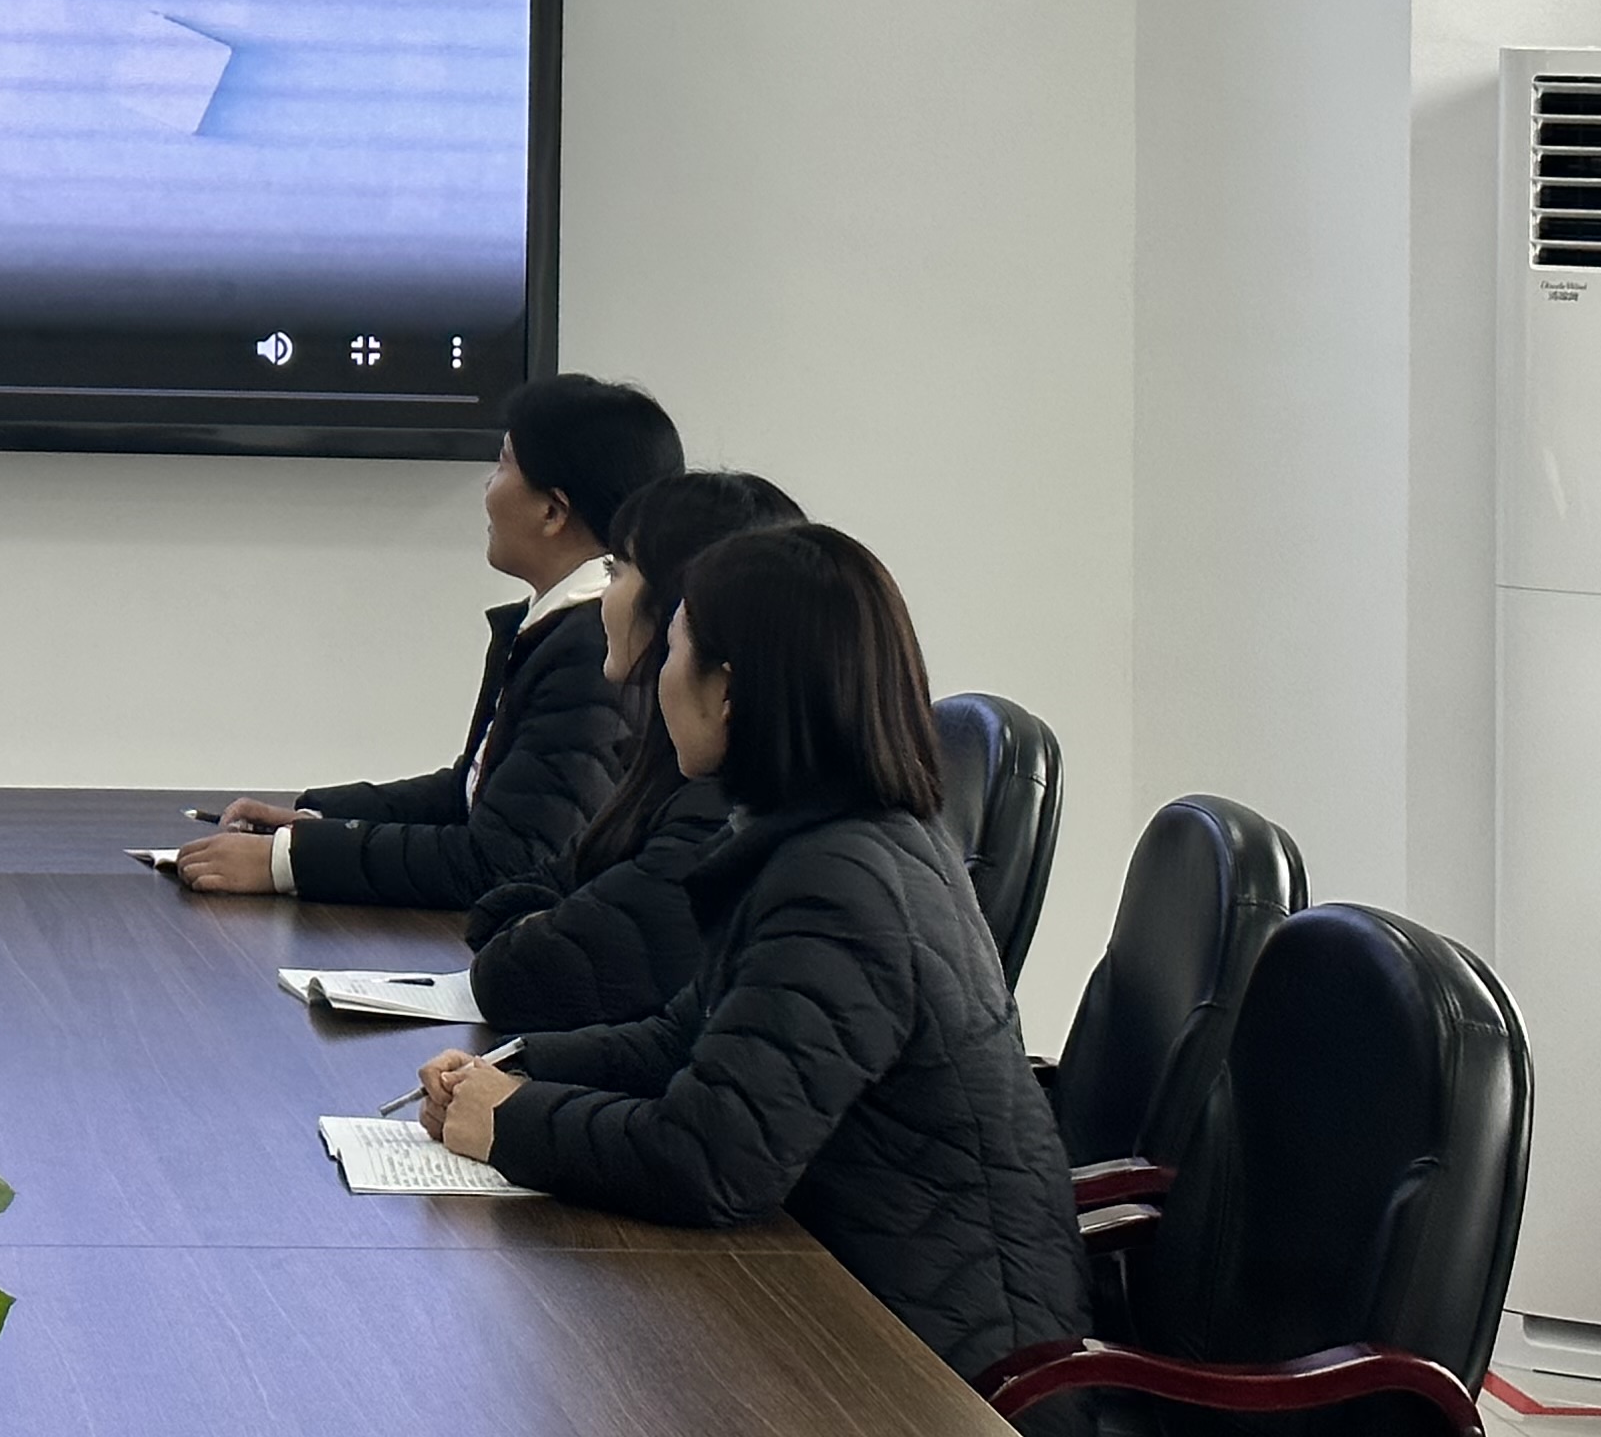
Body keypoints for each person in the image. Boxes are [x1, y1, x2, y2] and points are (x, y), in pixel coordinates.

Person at [419, 526, 1090, 1397]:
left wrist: (513, 1122)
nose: (658, 679)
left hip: (945, 1376)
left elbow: (709, 1160)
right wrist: (511, 1070)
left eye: (676, 650)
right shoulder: (836, 840)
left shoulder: (843, 885)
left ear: (729, 690)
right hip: (864, 1300)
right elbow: (681, 1040)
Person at [178, 374, 680, 906]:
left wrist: (288, 861)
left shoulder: (592, 651)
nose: (488, 487)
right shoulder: (561, 628)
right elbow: (472, 793)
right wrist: (316, 819)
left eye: (503, 464)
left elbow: (507, 859)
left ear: (552, 511)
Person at [462, 469, 807, 1029]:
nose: (602, 596)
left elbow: (520, 976)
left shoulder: (716, 810)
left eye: (615, 571)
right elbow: (505, 904)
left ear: (678, 611)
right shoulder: (664, 769)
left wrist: (546, 923)